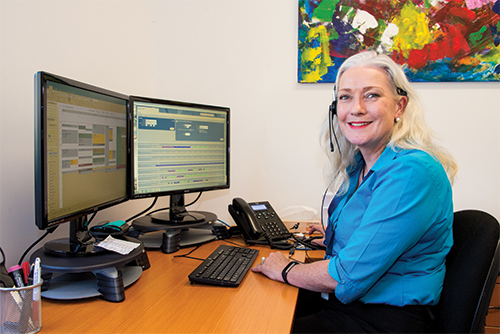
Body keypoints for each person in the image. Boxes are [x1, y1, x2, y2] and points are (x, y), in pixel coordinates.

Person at [251, 51, 458, 333]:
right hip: (352, 306)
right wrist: (340, 235)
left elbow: (347, 276)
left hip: (383, 319)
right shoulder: (360, 166)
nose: (356, 108)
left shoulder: (411, 171)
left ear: (399, 106)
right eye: (346, 97)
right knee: (253, 309)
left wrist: (284, 268)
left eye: (371, 95)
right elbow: (378, 236)